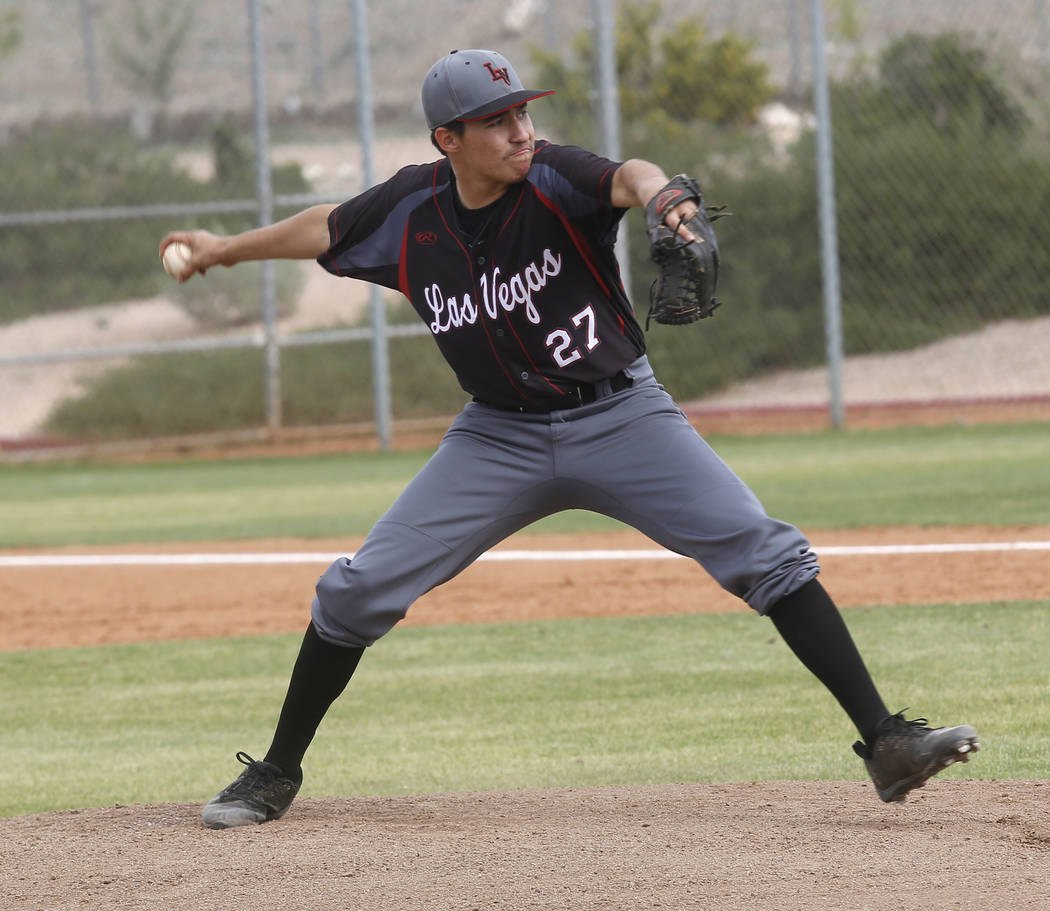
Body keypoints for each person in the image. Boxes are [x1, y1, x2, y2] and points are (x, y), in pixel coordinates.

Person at [160, 49, 978, 829]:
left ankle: (888, 743)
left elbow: (629, 177)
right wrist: (224, 250)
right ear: (448, 141)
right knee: (353, 590)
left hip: (622, 417)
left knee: (766, 554)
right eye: (496, 121)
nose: (519, 131)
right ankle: (276, 770)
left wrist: (666, 202)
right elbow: (327, 228)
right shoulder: (413, 210)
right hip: (496, 438)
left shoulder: (552, 175)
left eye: (521, 111)